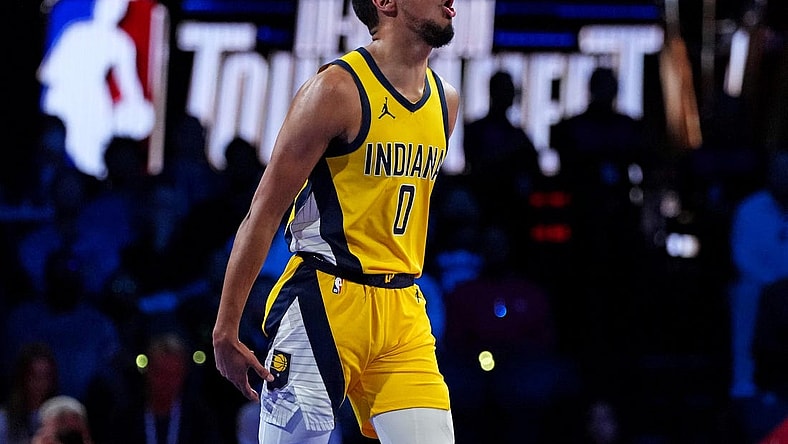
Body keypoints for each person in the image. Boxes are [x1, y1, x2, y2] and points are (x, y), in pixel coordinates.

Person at [212, 1, 459, 443]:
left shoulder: (446, 101)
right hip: (326, 297)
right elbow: (264, 211)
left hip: (403, 307)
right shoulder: (336, 89)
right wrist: (225, 327)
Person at [0, 342, 60, 444]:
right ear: (22, 378)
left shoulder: (61, 418)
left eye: (46, 376)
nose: (41, 383)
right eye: (35, 376)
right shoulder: (4, 420)